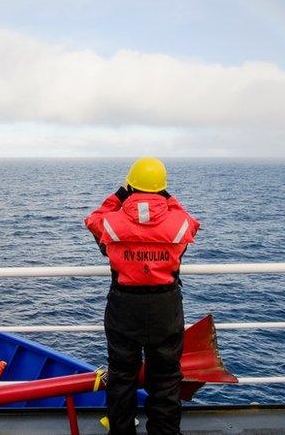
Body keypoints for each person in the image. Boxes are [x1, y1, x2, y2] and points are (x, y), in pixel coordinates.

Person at [84, 157, 200, 435]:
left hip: (124, 307)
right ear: (162, 189)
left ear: (130, 186)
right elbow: (188, 220)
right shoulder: (179, 224)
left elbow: (93, 218)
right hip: (165, 309)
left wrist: (120, 194)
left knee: (121, 379)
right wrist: (167, 197)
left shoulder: (111, 223)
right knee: (166, 380)